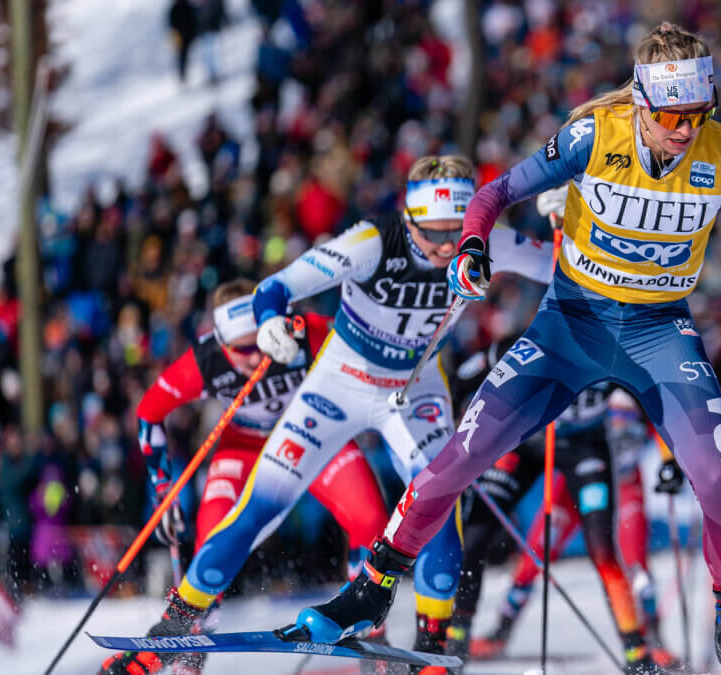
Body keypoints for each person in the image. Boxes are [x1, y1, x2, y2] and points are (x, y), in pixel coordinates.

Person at [284, 21, 721, 675]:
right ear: (642, 102)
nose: (687, 129)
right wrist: (471, 246)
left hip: (658, 331)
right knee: (461, 458)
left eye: (700, 113)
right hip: (570, 327)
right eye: (673, 116)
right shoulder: (593, 137)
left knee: (718, 479)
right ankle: (371, 589)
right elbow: (494, 194)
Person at [121, 156, 554, 672]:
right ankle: (168, 632)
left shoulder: (484, 239)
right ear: (409, 219)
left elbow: (565, 265)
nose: (447, 247)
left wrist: (572, 223)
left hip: (415, 389)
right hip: (340, 384)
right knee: (258, 507)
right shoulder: (371, 241)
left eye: (455, 232)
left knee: (440, 501)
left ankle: (432, 648)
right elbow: (276, 287)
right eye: (434, 233)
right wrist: (269, 323)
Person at [100, 279, 391, 675]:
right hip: (244, 447)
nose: (256, 357)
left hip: (312, 435)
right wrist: (163, 488)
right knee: (213, 540)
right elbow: (149, 411)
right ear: (221, 341)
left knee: (371, 519)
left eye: (260, 343)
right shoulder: (206, 359)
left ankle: (368, 628)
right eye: (242, 350)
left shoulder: (300, 331)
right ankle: (181, 638)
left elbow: (367, 343)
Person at [446, 333, 663, 674]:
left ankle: (637, 652)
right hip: (526, 439)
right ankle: (456, 639)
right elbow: (469, 372)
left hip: (585, 447)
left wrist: (673, 459)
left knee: (602, 548)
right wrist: (455, 416)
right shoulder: (535, 337)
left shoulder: (614, 348)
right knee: (476, 533)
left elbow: (659, 400)